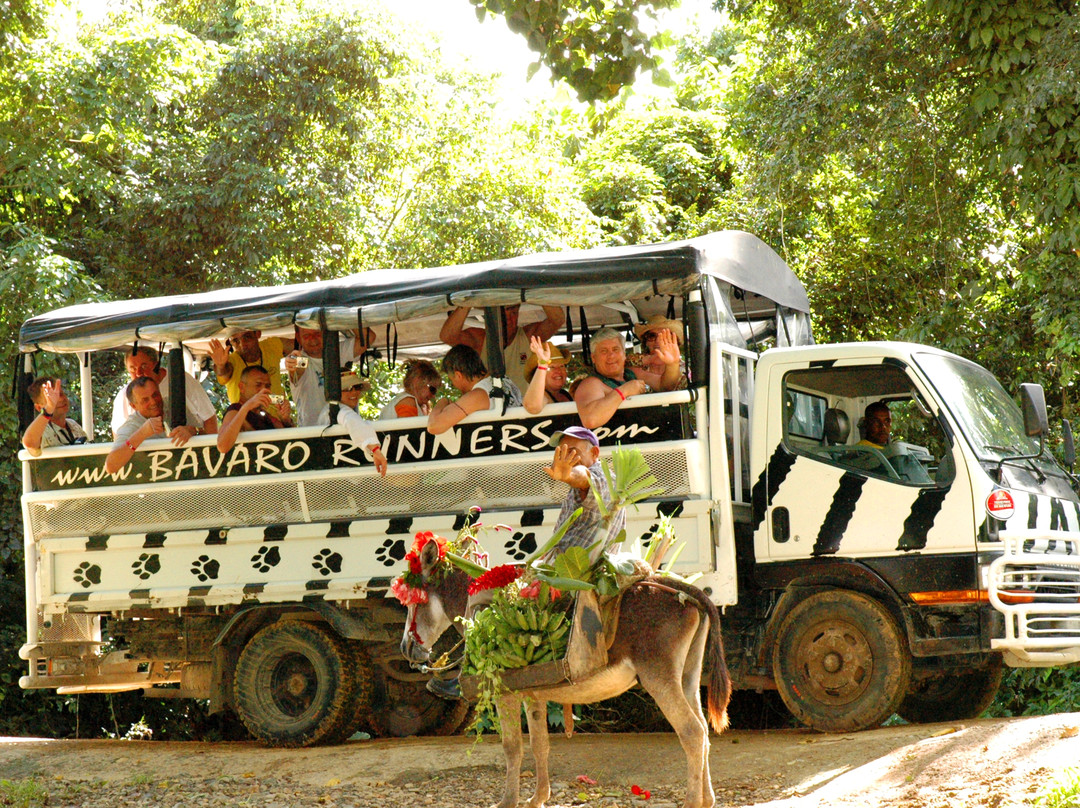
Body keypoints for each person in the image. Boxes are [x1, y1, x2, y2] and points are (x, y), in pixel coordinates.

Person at [544, 426, 626, 563]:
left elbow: (585, 476)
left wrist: (569, 476)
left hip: (585, 578)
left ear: (594, 453)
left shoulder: (604, 478)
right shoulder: (575, 488)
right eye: (562, 453)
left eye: (572, 451)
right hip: (567, 574)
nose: (566, 458)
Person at [439, 304, 564, 393]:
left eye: (513, 312)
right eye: (503, 314)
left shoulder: (528, 336)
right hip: (490, 413)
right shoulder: (481, 338)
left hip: (524, 411)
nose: (509, 319)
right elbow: (447, 336)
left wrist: (535, 292)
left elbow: (557, 320)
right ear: (491, 315)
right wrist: (466, 302)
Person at [573, 326, 681, 430]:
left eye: (615, 349)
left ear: (624, 354)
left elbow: (666, 386)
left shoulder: (632, 373)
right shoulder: (591, 384)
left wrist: (672, 364)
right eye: (604, 351)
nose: (611, 356)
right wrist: (624, 391)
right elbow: (591, 420)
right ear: (593, 358)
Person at [110, 346, 218, 440]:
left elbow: (209, 419)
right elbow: (118, 436)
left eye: (144, 366)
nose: (138, 373)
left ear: (155, 364)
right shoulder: (124, 396)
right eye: (133, 369)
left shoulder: (182, 379)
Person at [105, 378, 200, 473]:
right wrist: (142, 433)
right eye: (145, 400)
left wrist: (192, 430)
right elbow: (110, 467)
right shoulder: (131, 426)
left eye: (155, 395)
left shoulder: (175, 406)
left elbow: (207, 433)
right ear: (134, 406)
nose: (153, 402)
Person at [284, 327, 372, 428]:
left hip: (345, 428)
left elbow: (368, 338)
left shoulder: (336, 351)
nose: (313, 339)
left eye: (317, 333)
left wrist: (343, 314)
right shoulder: (302, 360)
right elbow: (296, 367)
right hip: (313, 435)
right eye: (306, 336)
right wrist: (292, 361)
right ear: (298, 338)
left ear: (326, 333)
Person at [427, 345, 522, 435]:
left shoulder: (479, 394)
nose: (454, 386)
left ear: (458, 375)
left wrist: (443, 401)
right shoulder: (503, 379)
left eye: (452, 381)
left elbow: (434, 426)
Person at [317, 369, 387, 476]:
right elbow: (351, 420)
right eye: (348, 388)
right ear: (336, 392)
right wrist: (376, 450)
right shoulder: (337, 410)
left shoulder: (338, 408)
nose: (354, 392)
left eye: (357, 387)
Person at [216, 365, 291, 454]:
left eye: (267, 386)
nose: (264, 390)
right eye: (258, 385)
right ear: (242, 387)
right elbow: (222, 446)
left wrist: (285, 419)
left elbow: (289, 440)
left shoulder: (264, 414)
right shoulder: (235, 410)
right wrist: (246, 407)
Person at [207, 330, 292, 404]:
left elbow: (301, 347)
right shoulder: (231, 361)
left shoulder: (271, 345)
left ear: (258, 334)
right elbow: (223, 372)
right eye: (236, 341)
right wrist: (220, 365)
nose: (242, 345)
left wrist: (296, 360)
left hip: (279, 419)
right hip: (246, 421)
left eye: (247, 337)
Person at [22, 377, 88, 456]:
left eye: (61, 394)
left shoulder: (73, 424)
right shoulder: (41, 430)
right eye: (51, 397)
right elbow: (29, 443)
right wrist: (49, 409)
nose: (60, 399)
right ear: (39, 408)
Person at [522, 336, 573, 414]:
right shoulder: (544, 396)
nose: (558, 370)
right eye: (551, 367)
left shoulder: (565, 394)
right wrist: (543, 365)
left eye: (562, 366)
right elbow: (532, 407)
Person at [630, 315, 686, 380]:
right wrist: (648, 359)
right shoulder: (636, 367)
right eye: (651, 336)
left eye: (664, 336)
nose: (658, 341)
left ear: (674, 341)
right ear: (646, 342)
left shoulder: (684, 370)